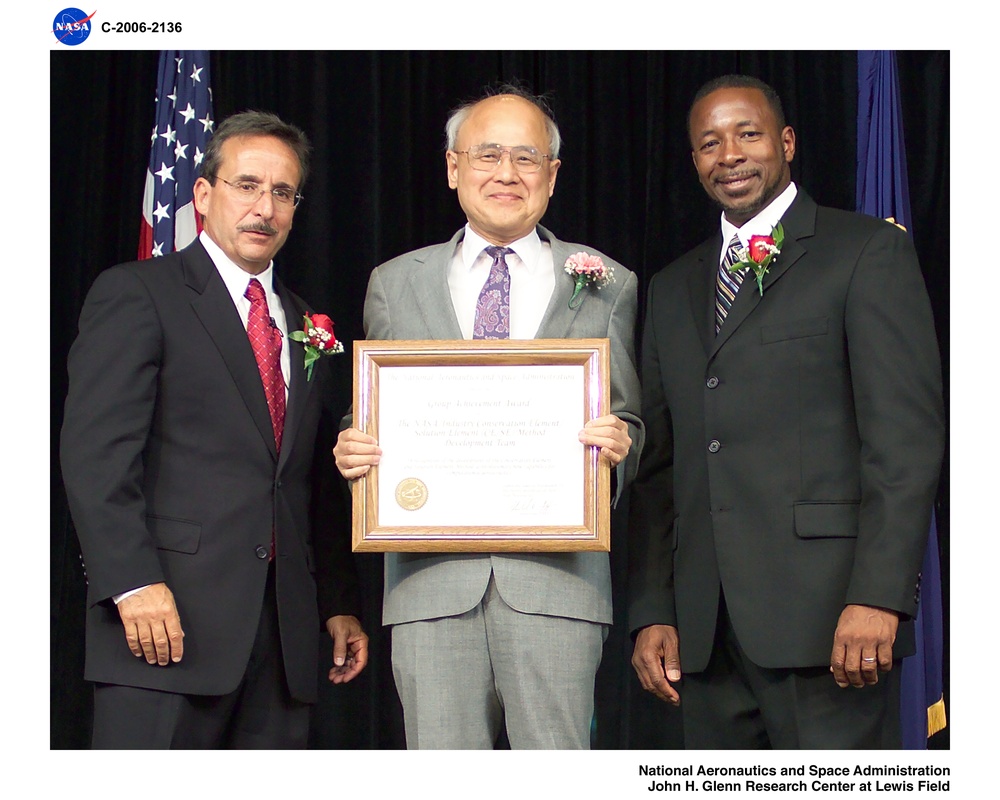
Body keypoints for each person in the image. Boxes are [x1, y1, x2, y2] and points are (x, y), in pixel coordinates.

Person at [627, 75, 944, 749]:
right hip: (705, 637)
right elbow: (660, 466)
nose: (730, 154)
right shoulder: (673, 285)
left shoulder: (864, 253)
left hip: (831, 624)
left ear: (787, 142)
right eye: (709, 143)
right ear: (693, 161)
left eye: (748, 134)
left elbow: (904, 445)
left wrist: (880, 596)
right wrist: (654, 608)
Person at [334, 85, 644, 749]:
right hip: (429, 586)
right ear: (453, 168)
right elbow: (374, 410)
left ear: (552, 176)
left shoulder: (606, 282)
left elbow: (632, 421)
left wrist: (619, 447)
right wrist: (354, 448)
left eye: (527, 158)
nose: (507, 174)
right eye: (488, 155)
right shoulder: (395, 282)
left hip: (558, 586)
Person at [60, 111, 368, 749]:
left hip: (282, 643)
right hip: (163, 627)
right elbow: (95, 457)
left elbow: (305, 480)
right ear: (203, 195)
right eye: (247, 185)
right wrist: (131, 581)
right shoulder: (138, 293)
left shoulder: (307, 320)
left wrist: (337, 600)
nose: (265, 207)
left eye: (283, 193)